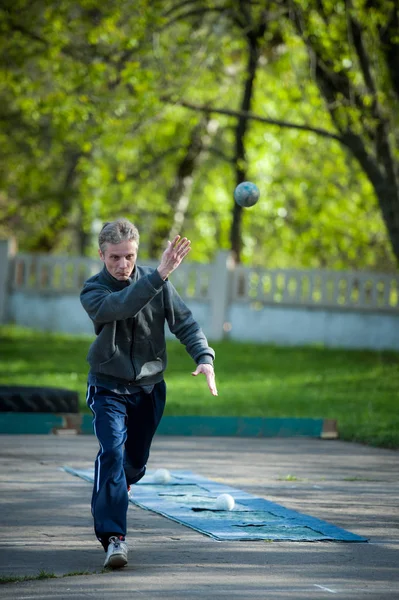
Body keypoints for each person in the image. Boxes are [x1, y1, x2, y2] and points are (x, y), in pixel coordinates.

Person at [80, 218, 217, 569]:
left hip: (149, 389)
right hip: (108, 387)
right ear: (101, 255)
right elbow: (121, 306)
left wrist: (204, 357)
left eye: (128, 256)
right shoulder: (94, 290)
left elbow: (183, 321)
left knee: (134, 464)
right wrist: (160, 275)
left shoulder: (158, 282)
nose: (123, 265)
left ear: (136, 253)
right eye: (114, 258)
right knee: (111, 454)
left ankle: (116, 488)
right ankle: (114, 539)